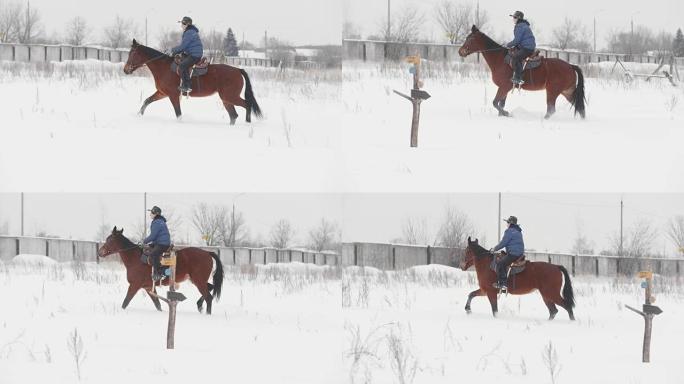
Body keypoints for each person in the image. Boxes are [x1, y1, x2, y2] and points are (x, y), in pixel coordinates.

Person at [490, 215, 525, 291]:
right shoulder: (518, 231)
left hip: (513, 254)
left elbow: (503, 243)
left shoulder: (509, 231)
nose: (507, 224)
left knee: (500, 263)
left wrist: (494, 249)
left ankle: (503, 284)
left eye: (507, 222)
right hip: (519, 253)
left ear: (510, 223)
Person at [170, 16, 203, 93]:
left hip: (194, 55)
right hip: (191, 53)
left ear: (186, 24)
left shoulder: (189, 32)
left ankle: (187, 86)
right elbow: (186, 47)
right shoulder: (190, 31)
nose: (181, 25)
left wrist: (172, 50)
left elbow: (183, 46)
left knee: (182, 66)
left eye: (182, 23)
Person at [506, 11, 536, 85]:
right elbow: (521, 40)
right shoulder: (523, 25)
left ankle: (518, 78)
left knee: (516, 58)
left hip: (527, 48)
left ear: (518, 18)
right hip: (526, 46)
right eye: (513, 17)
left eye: (514, 17)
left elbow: (517, 40)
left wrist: (508, 45)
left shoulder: (520, 26)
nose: (513, 19)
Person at [142, 206, 171, 281]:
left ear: (155, 213)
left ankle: (158, 273)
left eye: (151, 212)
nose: (150, 214)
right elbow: (157, 236)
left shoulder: (157, 222)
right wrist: (150, 244)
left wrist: (144, 241)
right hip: (159, 242)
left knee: (154, 254)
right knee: (147, 250)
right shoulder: (159, 221)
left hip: (162, 244)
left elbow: (153, 236)